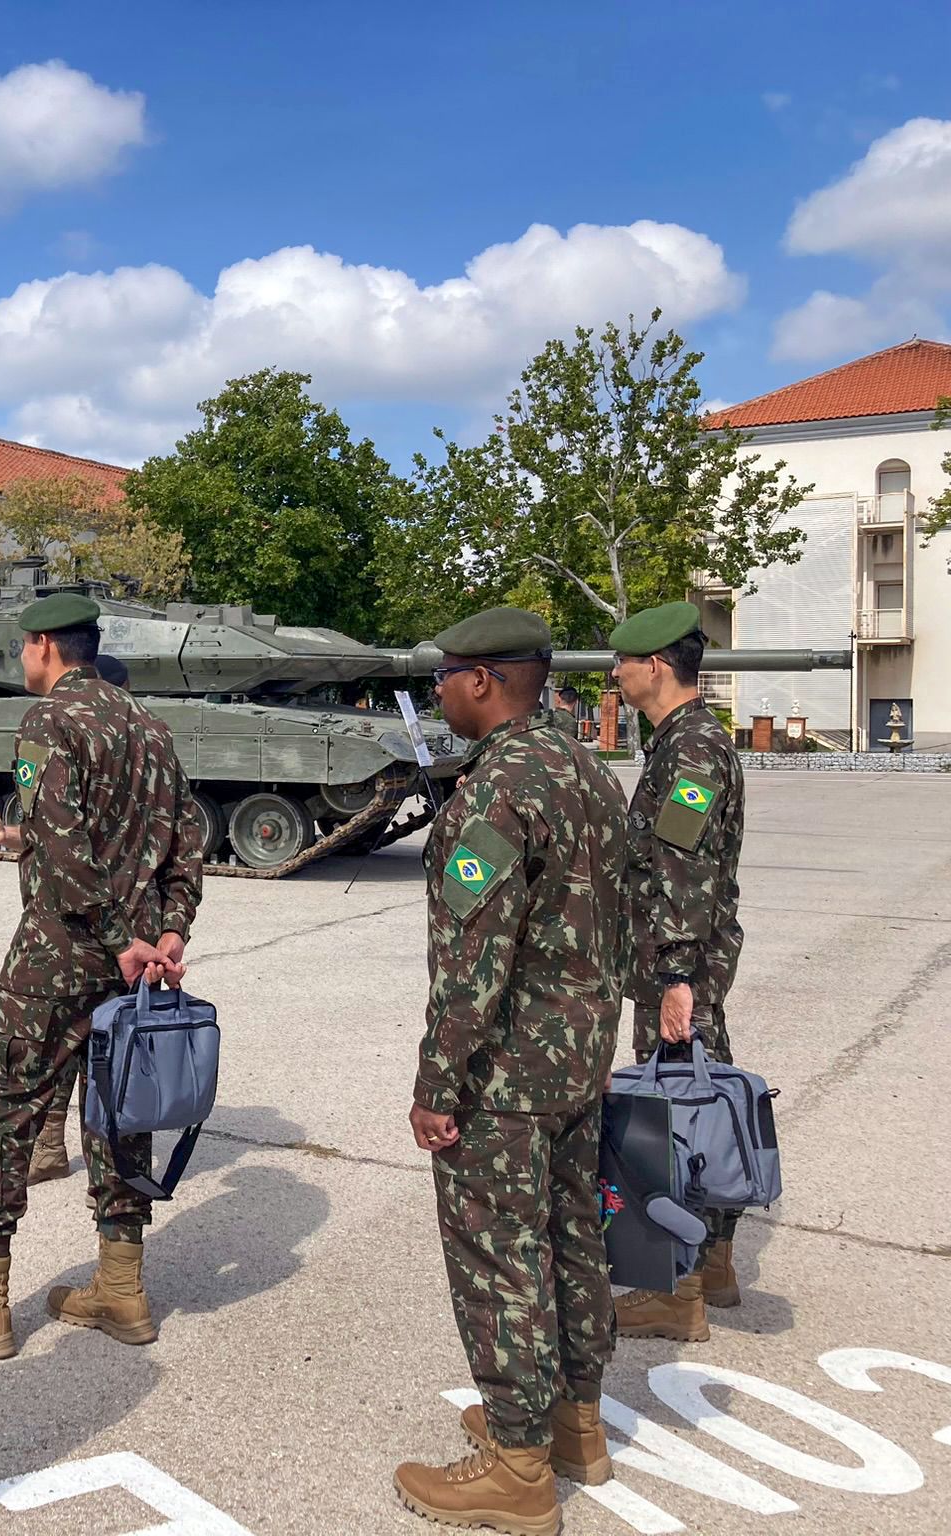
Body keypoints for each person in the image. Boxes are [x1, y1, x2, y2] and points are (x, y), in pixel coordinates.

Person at [0, 596, 202, 1360]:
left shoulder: (51, 722)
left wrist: (113, 936)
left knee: (4, 1108)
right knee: (121, 1113)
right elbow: (185, 844)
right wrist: (166, 932)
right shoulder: (150, 729)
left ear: (42, 647)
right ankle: (122, 1289)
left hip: (60, 954)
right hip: (134, 967)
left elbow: (62, 850)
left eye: (23, 648)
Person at [394, 607, 630, 1533]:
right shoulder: (585, 768)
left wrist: (435, 1085)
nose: (440, 692)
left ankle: (518, 1466)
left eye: (445, 676)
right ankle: (575, 1424)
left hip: (508, 1077)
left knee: (499, 1255)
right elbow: (617, 918)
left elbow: (471, 959)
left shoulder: (497, 792)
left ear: (482, 680)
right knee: (573, 1240)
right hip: (577, 1065)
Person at [606, 601, 748, 1342]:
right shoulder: (681, 741)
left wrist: (675, 977)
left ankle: (678, 1287)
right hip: (684, 959)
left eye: (624, 660)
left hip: (680, 962)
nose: (616, 672)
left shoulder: (690, 749)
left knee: (675, 1120)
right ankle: (714, 1263)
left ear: (655, 664)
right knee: (701, 1098)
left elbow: (681, 869)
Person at [0, 650, 133, 1187]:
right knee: (90, 1049)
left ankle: (51, 1149)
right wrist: (7, 836)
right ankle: (54, 1147)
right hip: (127, 938)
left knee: (65, 1050)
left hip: (81, 934)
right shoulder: (143, 740)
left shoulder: (60, 725)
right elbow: (64, 835)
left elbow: (75, 843)